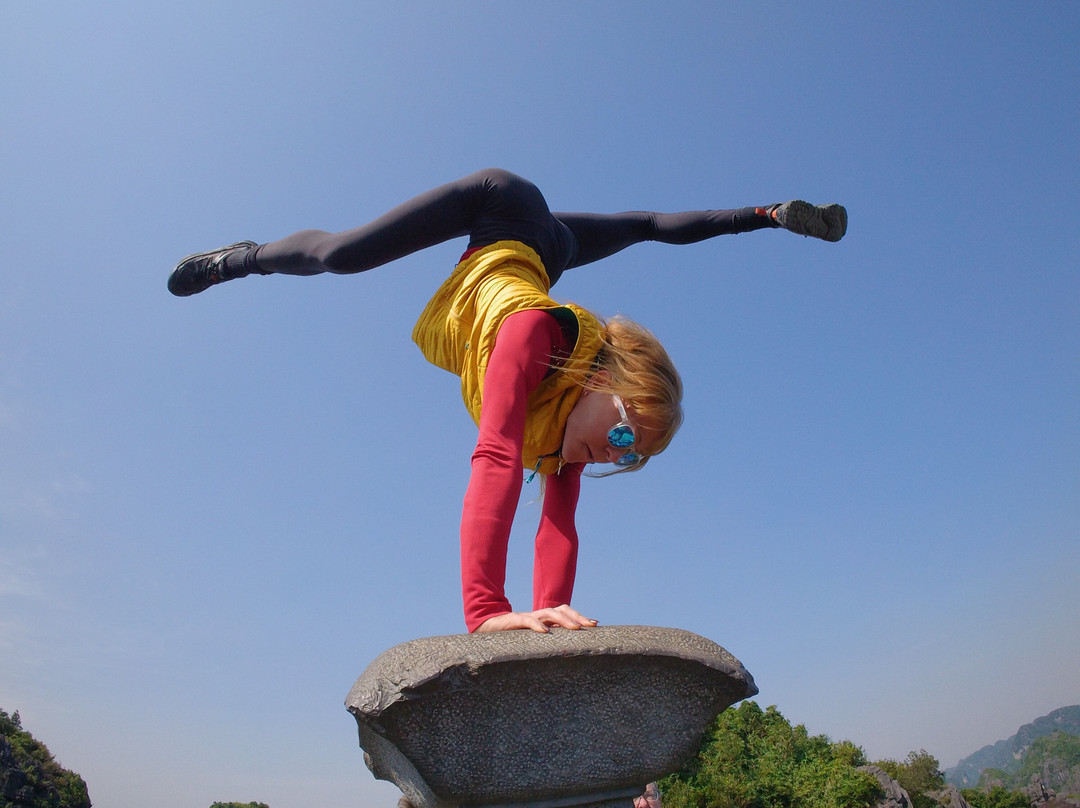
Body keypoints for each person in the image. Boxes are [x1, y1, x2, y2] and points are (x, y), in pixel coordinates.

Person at [168, 168, 846, 634]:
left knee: (643, 225)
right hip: (504, 206)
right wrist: (488, 609)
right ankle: (241, 257)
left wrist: (551, 617)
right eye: (621, 435)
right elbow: (493, 452)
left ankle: (772, 213)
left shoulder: (570, 434)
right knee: (343, 256)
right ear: (602, 381)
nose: (616, 452)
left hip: (550, 248)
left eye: (631, 456)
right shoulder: (537, 333)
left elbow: (560, 525)